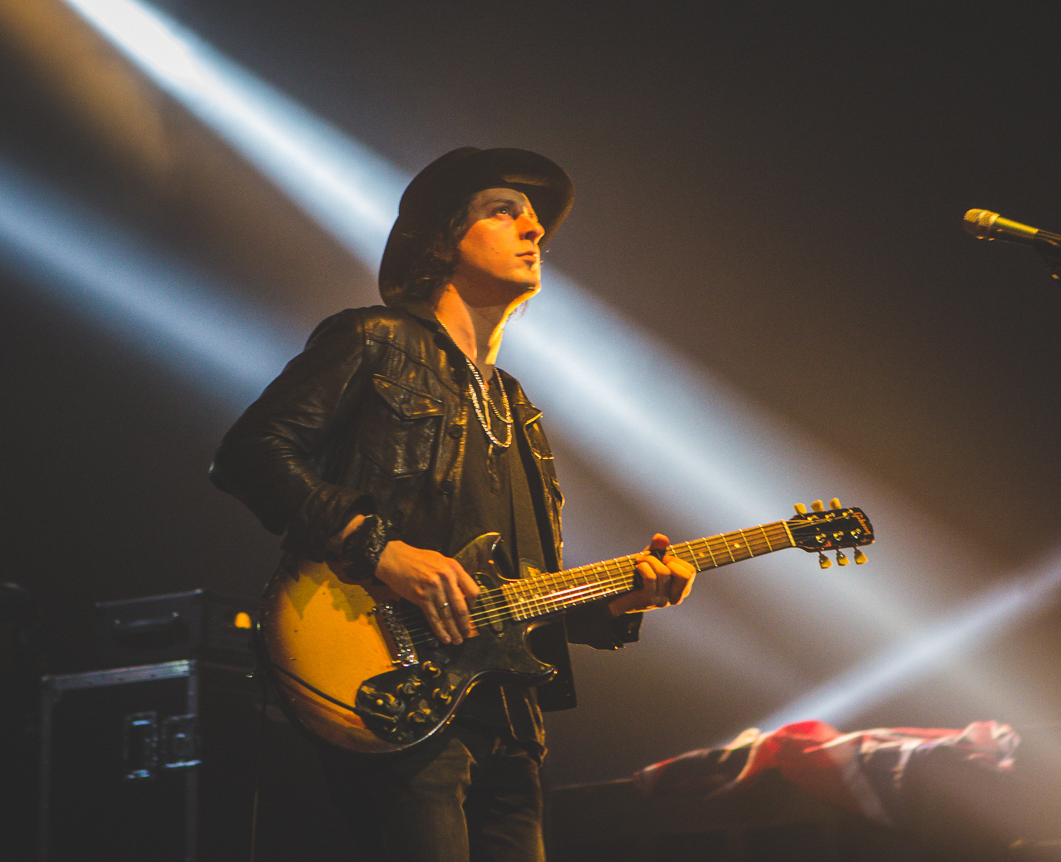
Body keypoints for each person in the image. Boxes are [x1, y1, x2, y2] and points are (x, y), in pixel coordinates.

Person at [210, 147, 696, 861]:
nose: (534, 230)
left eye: (537, 223)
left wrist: (622, 600)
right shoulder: (374, 340)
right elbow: (250, 451)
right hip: (394, 685)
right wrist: (379, 548)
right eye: (505, 211)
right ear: (441, 240)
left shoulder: (518, 408)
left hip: (510, 719)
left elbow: (520, 590)